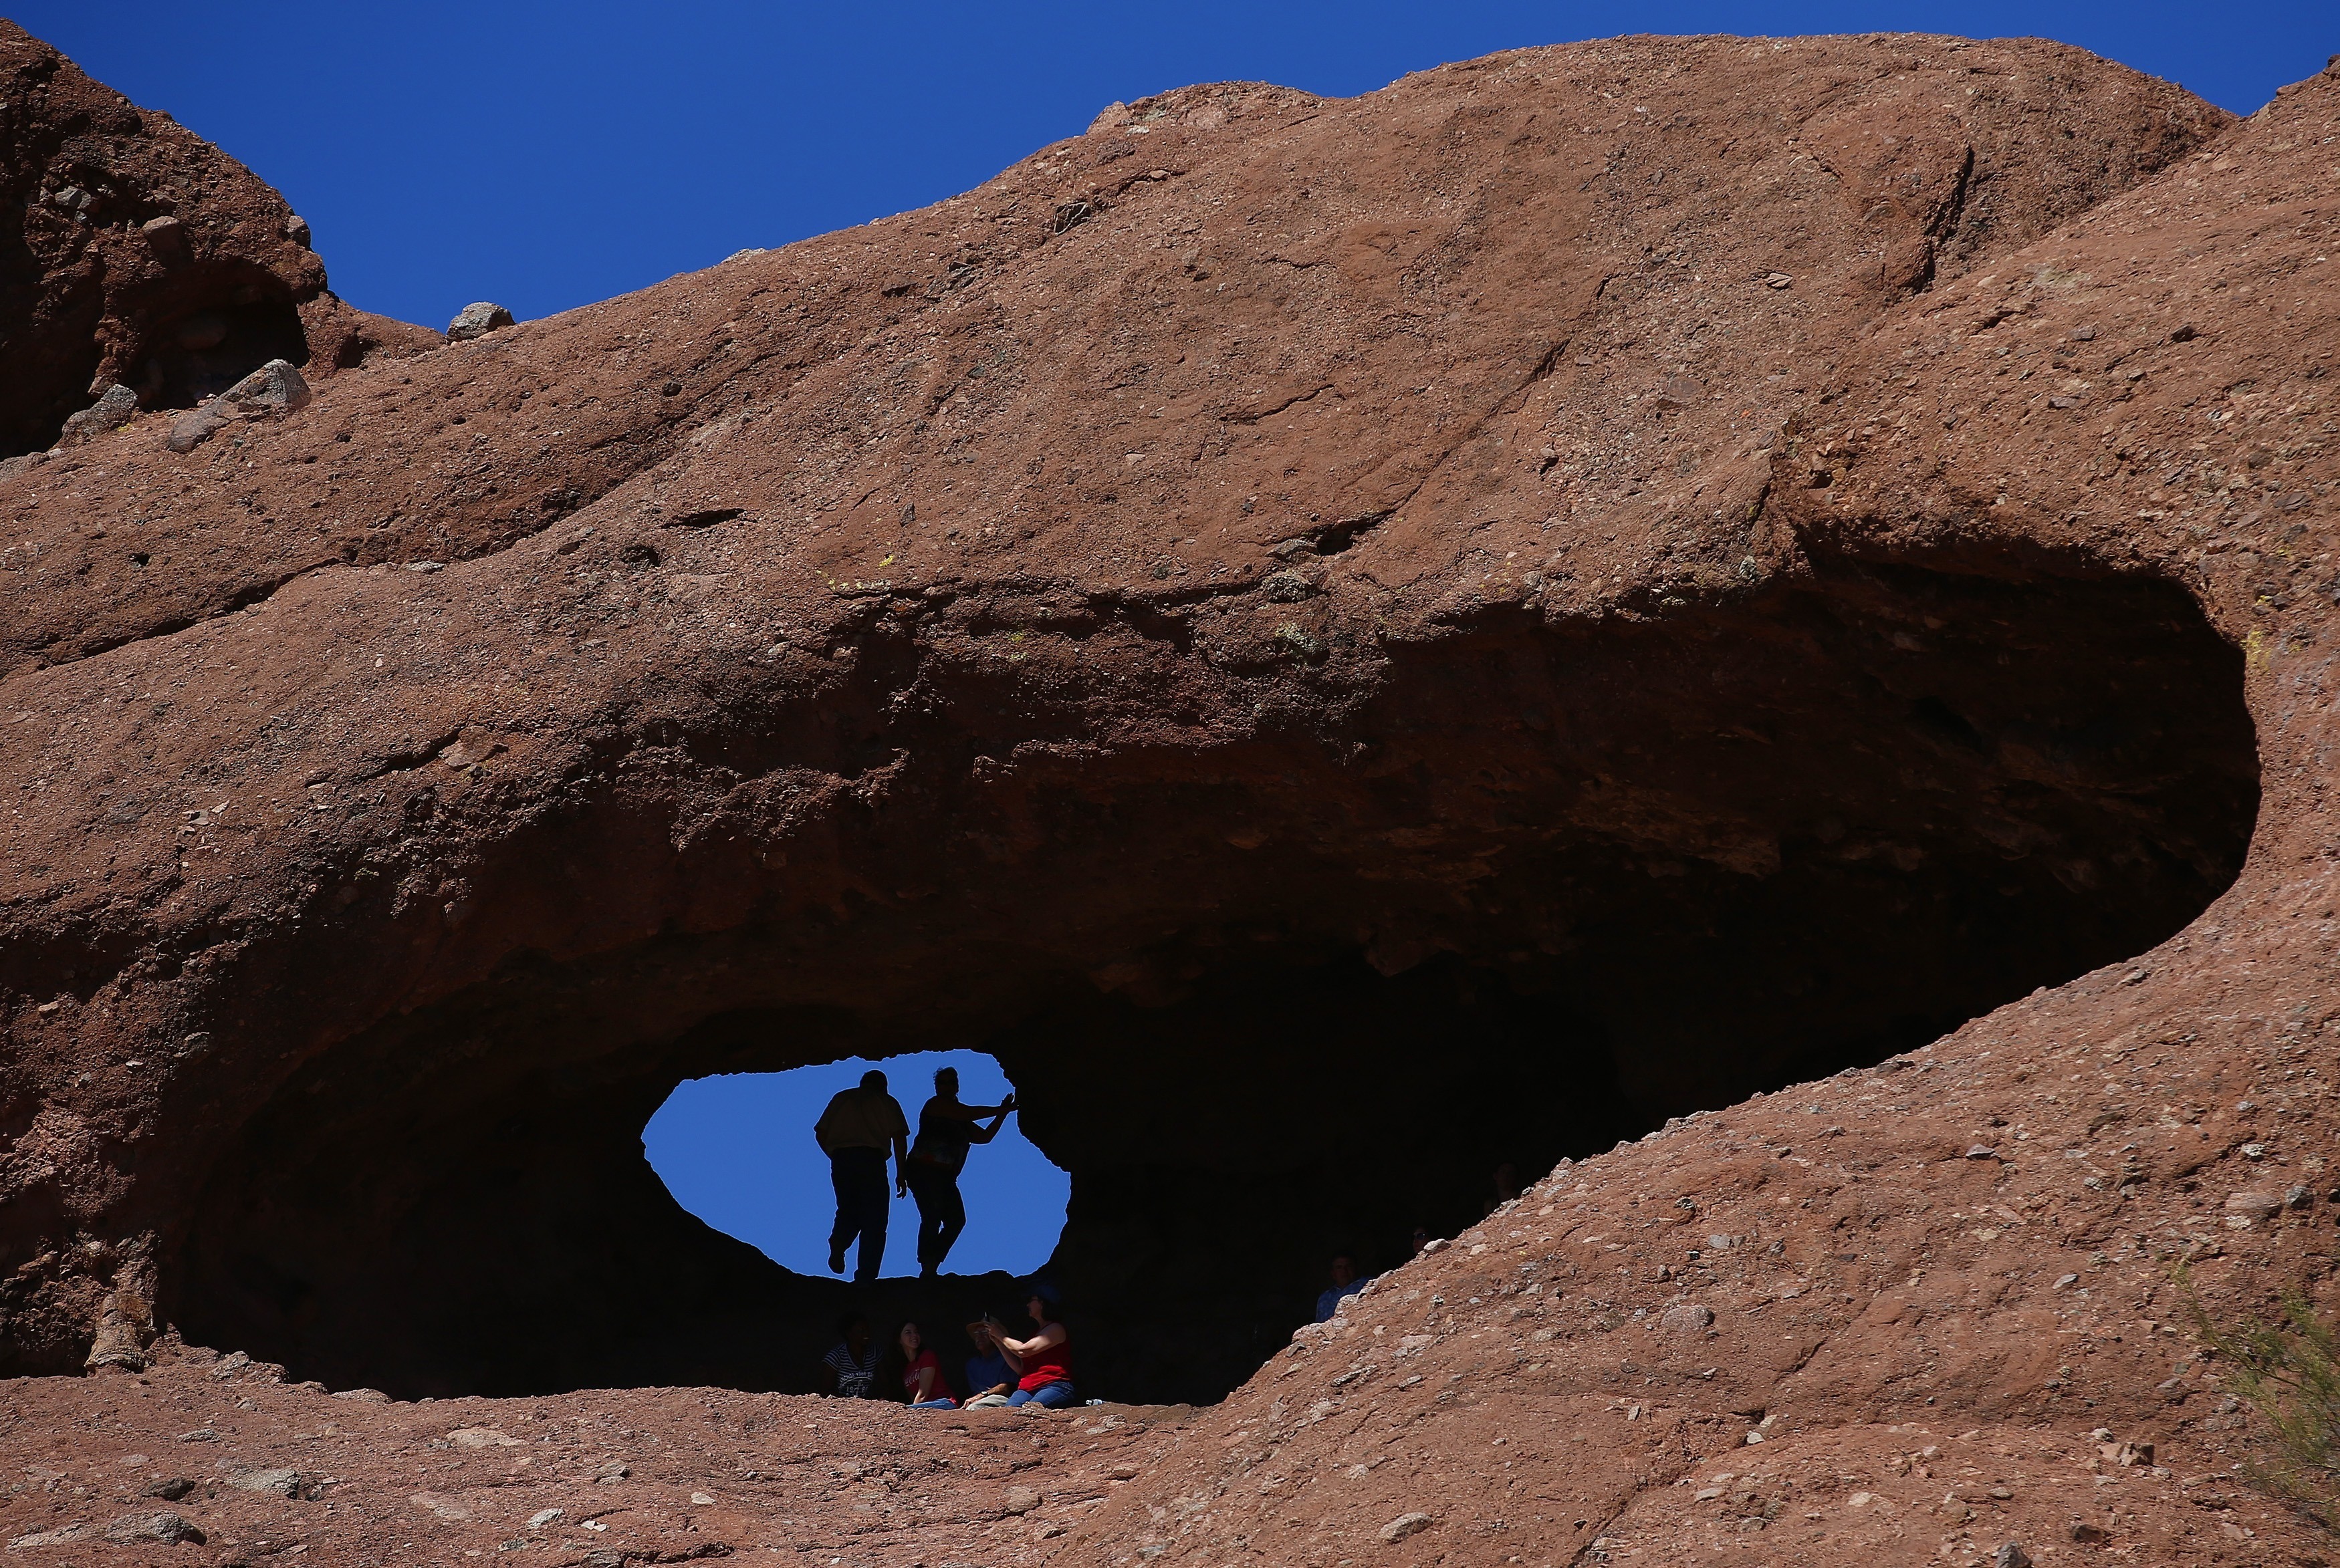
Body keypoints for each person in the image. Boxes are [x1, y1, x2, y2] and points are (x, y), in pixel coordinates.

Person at [903, 1067, 1016, 1278]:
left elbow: (983, 1137)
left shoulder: (960, 1117)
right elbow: (970, 1113)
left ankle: (932, 1262)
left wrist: (1002, 1114)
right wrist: (1002, 1110)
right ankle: (928, 1266)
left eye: (949, 1082)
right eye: (941, 1083)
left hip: (946, 1176)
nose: (945, 1086)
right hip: (923, 1170)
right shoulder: (935, 1105)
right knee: (932, 1216)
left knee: (956, 1220)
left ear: (956, 1086)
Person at [814, 1069, 909, 1283]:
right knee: (874, 1220)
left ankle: (839, 1242)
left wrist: (833, 1154)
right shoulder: (886, 1101)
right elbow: (899, 1138)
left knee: (848, 1208)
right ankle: (866, 1276)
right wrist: (901, 1173)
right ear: (883, 1086)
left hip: (841, 1158)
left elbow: (820, 1132)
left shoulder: (842, 1097)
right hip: (871, 1160)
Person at [992, 1286, 1074, 1409]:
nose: (1028, 1305)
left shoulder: (1056, 1329)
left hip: (1053, 1385)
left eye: (1032, 1300)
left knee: (1030, 1411)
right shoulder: (1035, 1334)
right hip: (1026, 1388)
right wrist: (999, 1343)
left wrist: (1001, 1336)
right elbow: (1020, 1369)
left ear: (1043, 1303)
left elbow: (1022, 1350)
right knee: (1009, 1412)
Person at [887, 1321, 957, 1410]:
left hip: (944, 1403)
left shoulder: (927, 1356)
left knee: (901, 1411)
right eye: (908, 1333)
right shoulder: (905, 1370)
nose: (914, 1335)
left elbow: (922, 1394)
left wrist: (911, 1413)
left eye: (916, 1332)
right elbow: (914, 1398)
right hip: (925, 1408)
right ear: (899, 1340)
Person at [815, 1313, 880, 1399]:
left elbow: (884, 1384)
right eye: (861, 1331)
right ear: (849, 1333)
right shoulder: (836, 1357)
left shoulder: (875, 1352)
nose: (866, 1334)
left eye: (867, 1329)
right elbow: (825, 1391)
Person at [962, 1318, 1017, 1408]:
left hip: (1002, 1399)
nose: (980, 1336)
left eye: (984, 1332)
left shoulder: (1006, 1359)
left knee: (974, 1408)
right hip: (978, 1399)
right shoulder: (972, 1364)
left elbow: (1007, 1388)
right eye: (976, 1334)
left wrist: (983, 1395)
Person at [1315, 1253, 1373, 1323]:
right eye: (1339, 1267)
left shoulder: (1367, 1284)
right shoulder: (1324, 1298)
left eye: (1348, 1266)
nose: (1344, 1271)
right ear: (1333, 1273)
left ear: (1355, 1268)